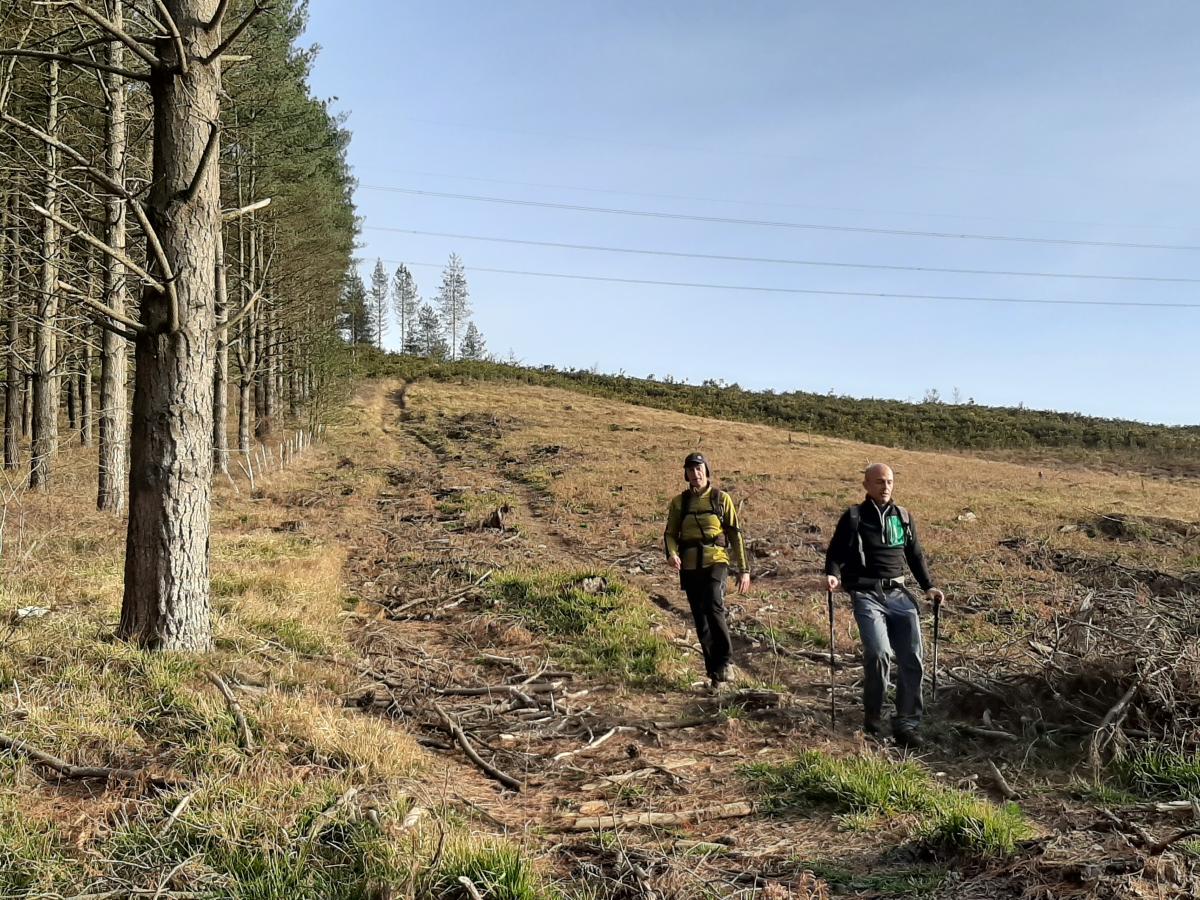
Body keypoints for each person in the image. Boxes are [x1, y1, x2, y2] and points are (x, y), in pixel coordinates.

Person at [824, 463, 945, 747]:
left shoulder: (903, 517)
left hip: (899, 594)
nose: (885, 486)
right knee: (878, 653)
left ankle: (907, 722)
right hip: (866, 594)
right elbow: (835, 552)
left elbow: (915, 556)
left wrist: (929, 587)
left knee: (912, 656)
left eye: (889, 481)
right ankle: (874, 717)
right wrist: (832, 574)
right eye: (879, 482)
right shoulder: (853, 517)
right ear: (866, 485)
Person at [664, 452, 751, 690]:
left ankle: (726, 662)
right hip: (690, 565)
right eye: (690, 470)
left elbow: (735, 534)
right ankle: (714, 674)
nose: (695, 473)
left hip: (716, 561)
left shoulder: (721, 499)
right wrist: (672, 554)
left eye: (699, 468)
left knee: (714, 604)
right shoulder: (679, 502)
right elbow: (670, 534)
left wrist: (744, 570)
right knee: (700, 619)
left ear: (707, 470)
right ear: (686, 474)